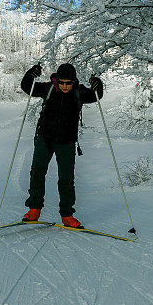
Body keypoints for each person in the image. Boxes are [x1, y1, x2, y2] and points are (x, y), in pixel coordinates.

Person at [20, 62, 103, 228]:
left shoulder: (79, 92)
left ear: (74, 81)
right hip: (45, 138)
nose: (65, 86)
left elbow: (96, 96)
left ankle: (67, 215)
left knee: (66, 178)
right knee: (37, 171)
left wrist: (98, 83)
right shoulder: (48, 88)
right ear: (57, 80)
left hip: (67, 142)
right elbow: (27, 87)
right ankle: (34, 209)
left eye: (68, 83)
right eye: (62, 82)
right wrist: (31, 74)